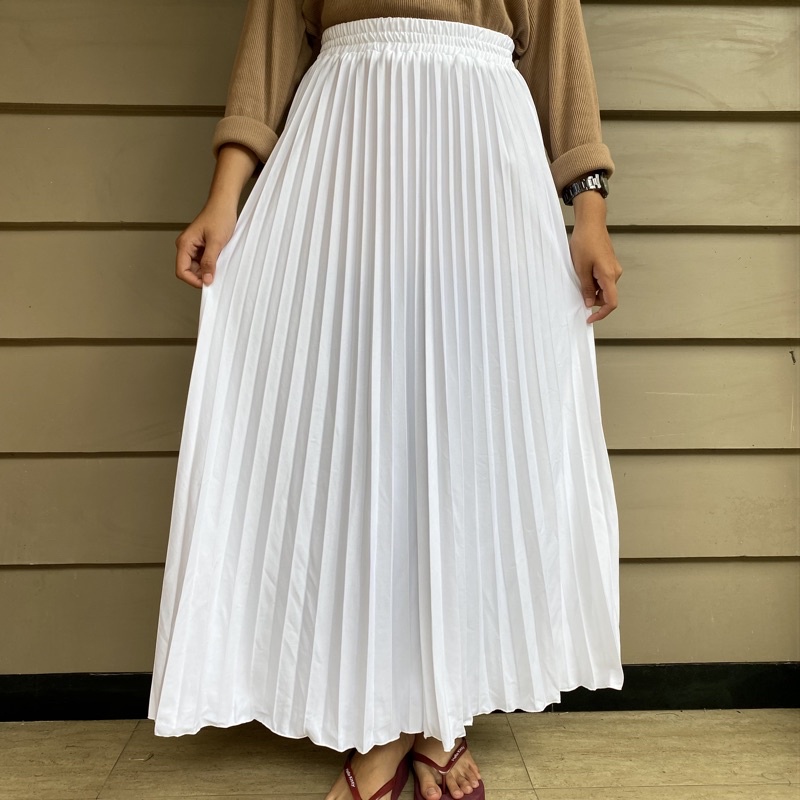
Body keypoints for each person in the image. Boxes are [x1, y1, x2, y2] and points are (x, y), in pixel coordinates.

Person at [148, 2, 625, 799]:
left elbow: (558, 48)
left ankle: (430, 714)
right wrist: (225, 195)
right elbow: (271, 41)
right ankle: (398, 722)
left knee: (468, 431)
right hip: (349, 151)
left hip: (482, 155)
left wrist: (591, 210)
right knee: (364, 430)